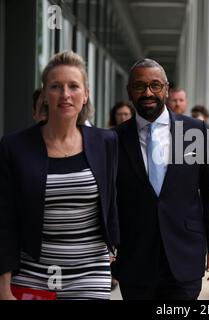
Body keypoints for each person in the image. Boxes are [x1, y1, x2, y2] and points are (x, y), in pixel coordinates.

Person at [0, 51, 119, 300]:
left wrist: (116, 245)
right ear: (44, 96)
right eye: (56, 86)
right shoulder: (15, 146)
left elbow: (116, 199)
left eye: (73, 86)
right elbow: (5, 220)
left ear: (85, 94)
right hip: (33, 272)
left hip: (90, 272)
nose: (65, 94)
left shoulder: (106, 142)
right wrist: (4, 287)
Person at [112, 58, 209, 300]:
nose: (148, 92)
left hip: (184, 253)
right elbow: (108, 197)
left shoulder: (195, 130)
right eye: (140, 86)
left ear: (166, 89)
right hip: (135, 258)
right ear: (129, 91)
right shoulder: (113, 139)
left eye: (155, 85)